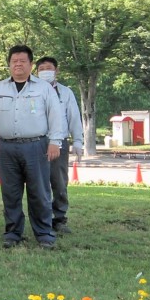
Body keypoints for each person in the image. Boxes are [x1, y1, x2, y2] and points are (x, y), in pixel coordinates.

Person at [0, 45, 65, 249]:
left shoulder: (43, 88)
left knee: (40, 192)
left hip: (36, 146)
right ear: (9, 64)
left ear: (30, 64)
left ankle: (44, 233)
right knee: (10, 193)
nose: (18, 64)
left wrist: (55, 142)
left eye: (22, 61)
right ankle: (13, 233)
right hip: (6, 149)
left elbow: (56, 116)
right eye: (14, 61)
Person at [35, 56, 84, 234]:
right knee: (39, 183)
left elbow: (74, 117)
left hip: (60, 143)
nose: (45, 72)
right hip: (38, 142)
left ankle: (60, 218)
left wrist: (78, 141)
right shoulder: (32, 90)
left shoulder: (65, 93)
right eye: (41, 69)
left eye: (48, 68)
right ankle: (43, 219)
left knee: (59, 181)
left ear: (56, 71)